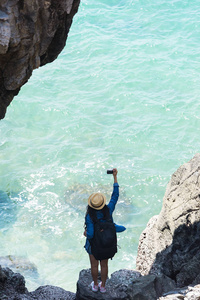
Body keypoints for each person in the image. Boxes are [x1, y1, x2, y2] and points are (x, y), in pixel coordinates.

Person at [83, 168, 126, 293]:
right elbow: (115, 196)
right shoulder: (108, 210)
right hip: (106, 243)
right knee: (104, 265)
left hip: (93, 245)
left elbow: (90, 234)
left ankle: (95, 285)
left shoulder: (89, 216)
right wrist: (115, 178)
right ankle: (103, 287)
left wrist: (85, 233)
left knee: (94, 265)